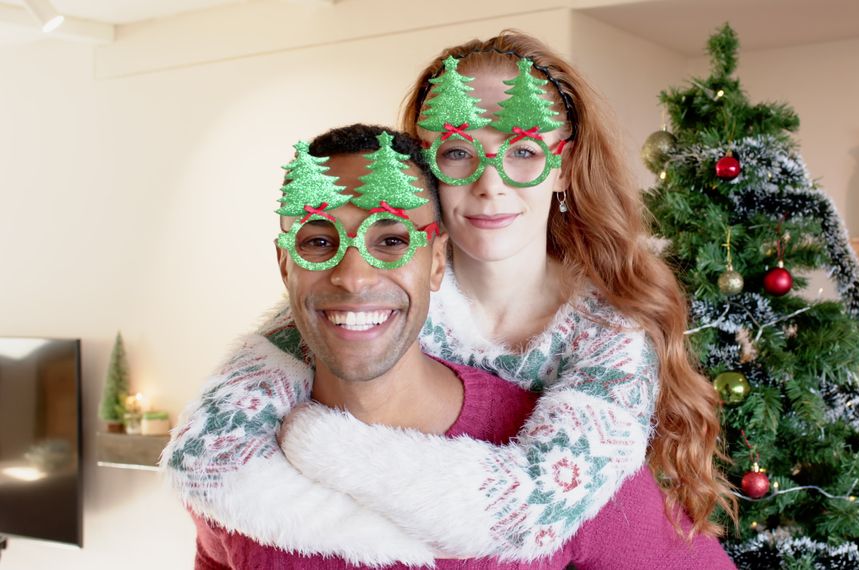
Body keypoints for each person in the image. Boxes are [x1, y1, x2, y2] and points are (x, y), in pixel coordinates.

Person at [165, 31, 737, 564]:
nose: (491, 184)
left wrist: (330, 450)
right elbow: (212, 451)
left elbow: (527, 510)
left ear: (562, 166)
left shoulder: (608, 339)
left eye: (522, 152)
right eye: (458, 153)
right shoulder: (376, 304)